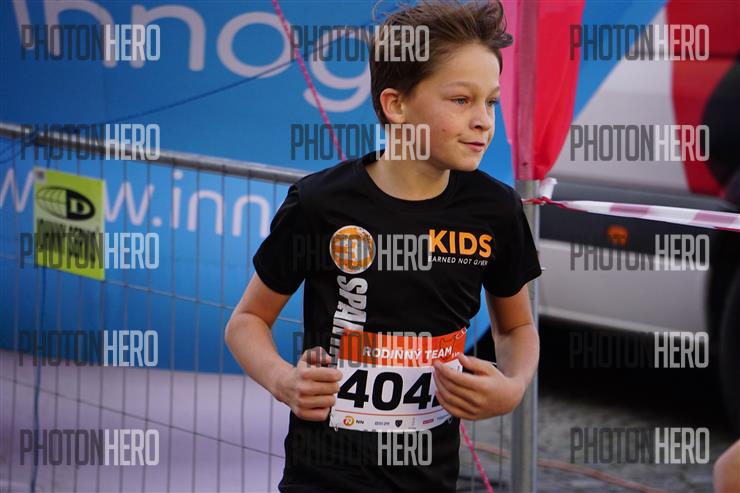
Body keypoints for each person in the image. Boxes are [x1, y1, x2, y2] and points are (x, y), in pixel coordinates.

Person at [225, 1, 541, 491]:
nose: (483, 120)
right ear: (396, 105)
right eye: (461, 100)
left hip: (431, 481)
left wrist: (513, 386)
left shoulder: (495, 210)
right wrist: (283, 381)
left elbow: (517, 326)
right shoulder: (320, 203)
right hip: (322, 480)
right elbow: (246, 322)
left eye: (491, 102)